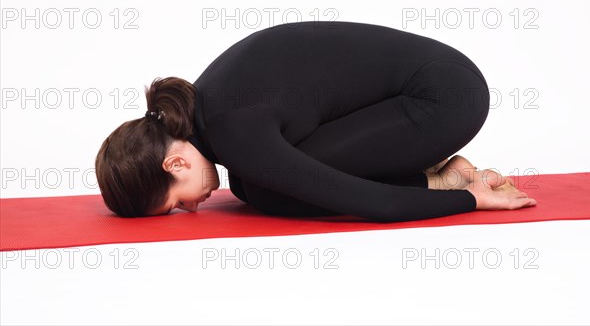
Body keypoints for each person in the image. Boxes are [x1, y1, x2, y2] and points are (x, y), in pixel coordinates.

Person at [95, 21, 536, 222]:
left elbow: (376, 205)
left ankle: (452, 184)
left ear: (175, 165)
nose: (193, 208)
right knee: (253, 186)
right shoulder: (206, 109)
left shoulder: (233, 129)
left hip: (443, 98)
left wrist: (473, 202)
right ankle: (443, 174)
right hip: (427, 85)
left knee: (273, 193)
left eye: (176, 203)